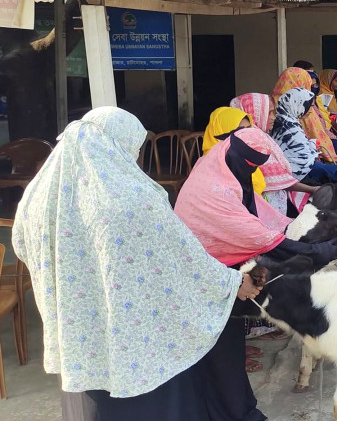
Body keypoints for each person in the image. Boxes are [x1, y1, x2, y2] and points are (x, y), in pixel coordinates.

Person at [12, 107, 262, 421]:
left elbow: (22, 246)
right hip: (142, 347)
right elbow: (182, 260)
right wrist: (233, 283)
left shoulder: (39, 199)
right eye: (136, 149)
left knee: (102, 408)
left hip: (82, 338)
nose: (137, 157)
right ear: (117, 145)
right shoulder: (132, 200)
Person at [175, 127, 337, 420]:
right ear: (235, 154)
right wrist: (316, 252)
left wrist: (293, 231)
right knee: (220, 353)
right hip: (202, 276)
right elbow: (251, 232)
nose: (250, 170)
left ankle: (226, 409)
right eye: (249, 164)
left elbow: (254, 216)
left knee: (222, 352)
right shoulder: (211, 188)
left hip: (217, 274)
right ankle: (237, 412)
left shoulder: (225, 168)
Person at [229, 93, 317, 215]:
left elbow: (281, 179)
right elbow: (278, 181)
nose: (273, 117)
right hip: (260, 210)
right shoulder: (252, 144)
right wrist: (312, 189)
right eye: (269, 112)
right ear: (255, 113)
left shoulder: (264, 138)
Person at [272, 87, 337, 184]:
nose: (311, 111)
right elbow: (304, 167)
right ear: (297, 104)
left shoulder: (287, 123)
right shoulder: (289, 130)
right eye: (309, 105)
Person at [272, 67, 337, 163]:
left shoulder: (272, 104)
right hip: (303, 162)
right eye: (308, 84)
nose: (311, 89)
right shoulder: (302, 106)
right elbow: (316, 133)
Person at [202, 106, 265, 194]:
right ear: (222, 130)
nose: (246, 134)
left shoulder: (243, 154)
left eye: (248, 128)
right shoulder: (214, 164)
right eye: (240, 129)